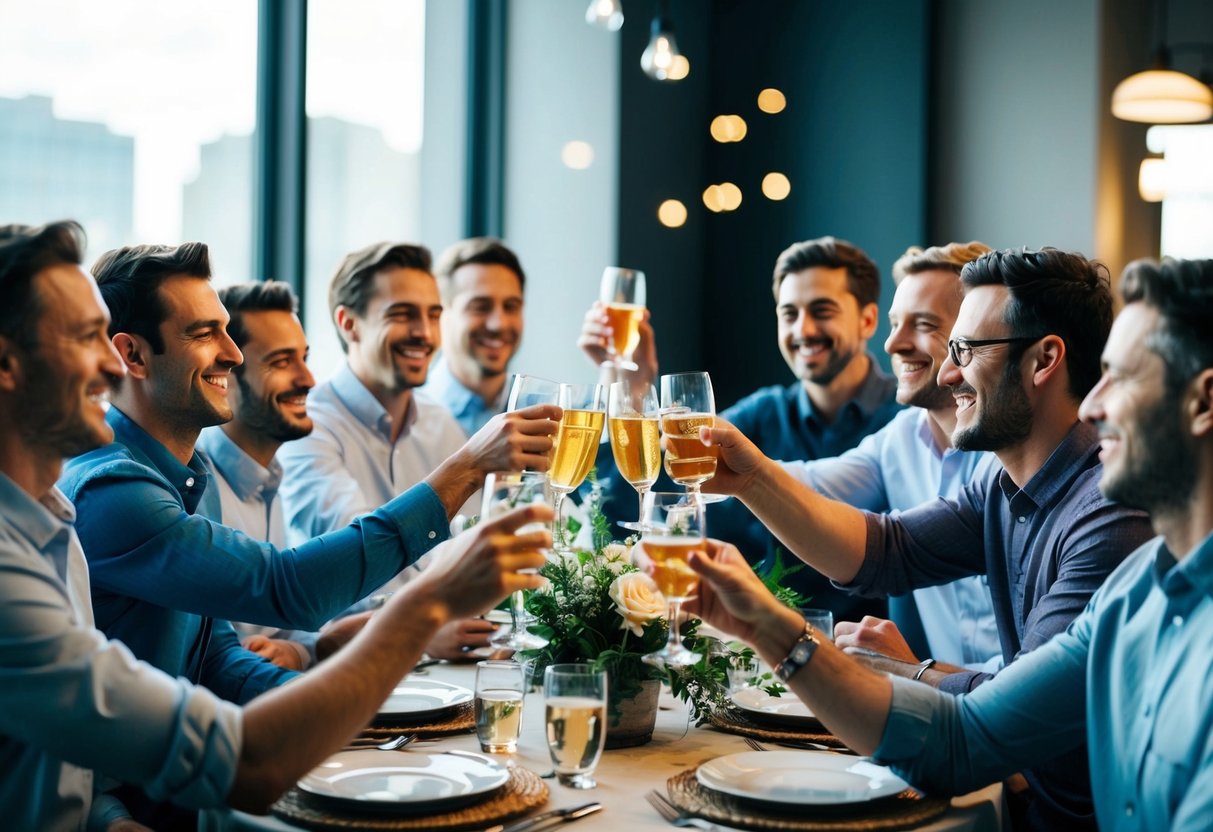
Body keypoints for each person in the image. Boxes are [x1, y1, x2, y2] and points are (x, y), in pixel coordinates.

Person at [0, 220, 551, 830]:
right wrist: (432, 590)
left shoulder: (109, 498)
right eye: (84, 339)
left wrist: (359, 718)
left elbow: (215, 663)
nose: (233, 356)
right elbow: (284, 589)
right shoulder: (104, 495)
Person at [685, 256, 1213, 832]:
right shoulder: (1134, 589)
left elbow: (981, 722)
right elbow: (892, 559)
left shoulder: (1113, 530)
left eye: (1126, 376)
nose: (1094, 404)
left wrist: (916, 671)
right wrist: (763, 609)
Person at [581, 237, 902, 620]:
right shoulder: (762, 414)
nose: (803, 330)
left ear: (867, 320)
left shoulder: (906, 419)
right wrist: (630, 383)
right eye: (789, 314)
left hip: (874, 659)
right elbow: (630, 510)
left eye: (822, 311)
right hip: (765, 656)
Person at [278, 241, 558, 655]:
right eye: (402, 315)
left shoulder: (437, 421)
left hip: (440, 674)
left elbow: (473, 555)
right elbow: (361, 566)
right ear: (348, 323)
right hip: (341, 670)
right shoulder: (308, 427)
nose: (425, 334)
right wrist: (428, 623)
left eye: (433, 315)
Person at [784, 242, 1001, 670]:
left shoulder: (1015, 457)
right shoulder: (900, 438)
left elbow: (1046, 682)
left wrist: (914, 672)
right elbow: (801, 484)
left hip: (1008, 719)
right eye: (894, 324)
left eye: (922, 324)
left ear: (974, 333)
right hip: (941, 710)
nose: (892, 344)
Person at [195, 281, 320, 670]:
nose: (308, 379)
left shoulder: (270, 480)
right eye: (281, 362)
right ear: (225, 374)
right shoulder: (195, 490)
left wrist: (301, 650)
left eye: (304, 357)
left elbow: (287, 630)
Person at [421, 237, 526, 437]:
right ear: (440, 313)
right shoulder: (409, 419)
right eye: (480, 307)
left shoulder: (546, 415)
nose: (499, 324)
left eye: (511, 306)